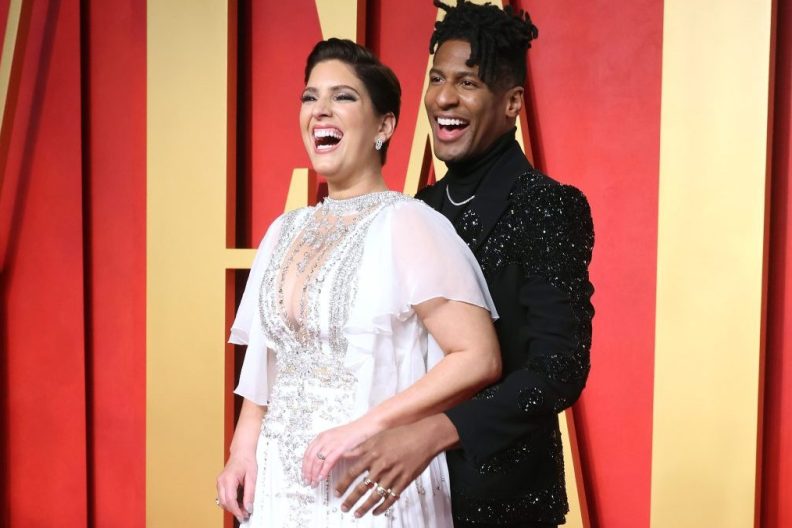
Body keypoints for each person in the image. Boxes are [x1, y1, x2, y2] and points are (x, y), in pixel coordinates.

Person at [215, 38, 502, 527]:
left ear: (384, 125)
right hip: (281, 487)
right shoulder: (284, 231)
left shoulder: (410, 224)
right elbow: (269, 359)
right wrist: (243, 447)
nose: (321, 110)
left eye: (343, 97)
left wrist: (367, 426)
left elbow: (479, 356)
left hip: (367, 485)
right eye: (310, 97)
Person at [334, 2, 595, 527]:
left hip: (502, 501)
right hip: (402, 497)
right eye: (437, 78)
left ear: (512, 102)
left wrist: (433, 433)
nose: (444, 98)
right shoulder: (415, 209)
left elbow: (558, 369)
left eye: (468, 82)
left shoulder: (546, 205)